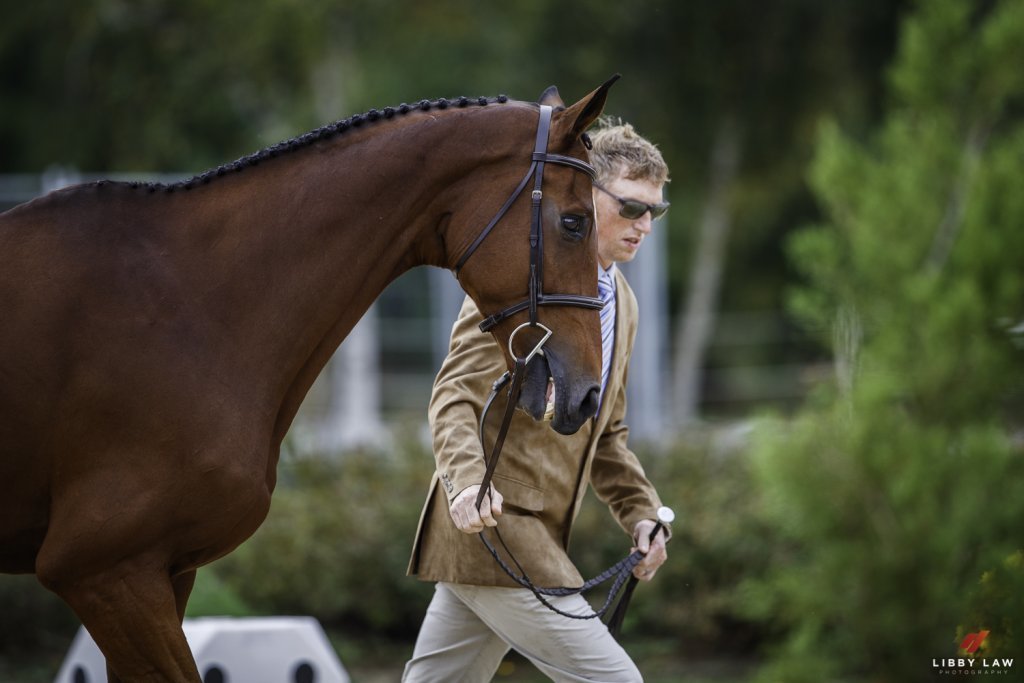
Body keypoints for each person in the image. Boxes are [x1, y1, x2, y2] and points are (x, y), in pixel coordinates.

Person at [404, 117, 672, 683]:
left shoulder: (625, 304)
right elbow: (454, 393)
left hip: (521, 541)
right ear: (586, 195)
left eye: (656, 211)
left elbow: (609, 435)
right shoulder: (518, 283)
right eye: (631, 207)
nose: (644, 224)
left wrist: (642, 513)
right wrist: (465, 483)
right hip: (496, 528)